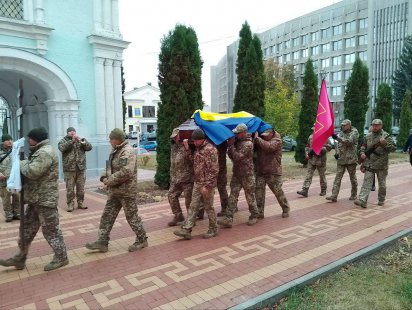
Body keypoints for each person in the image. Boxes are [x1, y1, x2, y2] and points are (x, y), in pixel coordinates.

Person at [0, 127, 69, 271]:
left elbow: (32, 171)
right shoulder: (38, 151)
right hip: (35, 199)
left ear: (36, 138)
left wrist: (20, 162)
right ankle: (20, 257)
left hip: (45, 200)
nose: (28, 140)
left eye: (30, 138)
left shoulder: (45, 152)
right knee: (26, 230)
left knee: (51, 231)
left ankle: (61, 257)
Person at [85, 128, 148, 252]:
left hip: (126, 192)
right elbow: (109, 165)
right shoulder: (115, 150)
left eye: (111, 139)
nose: (109, 141)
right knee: (107, 216)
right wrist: (103, 176)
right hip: (115, 191)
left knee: (132, 217)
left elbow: (126, 172)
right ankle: (102, 242)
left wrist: (109, 180)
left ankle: (142, 239)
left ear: (117, 139)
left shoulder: (127, 151)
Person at [174, 128, 219, 239]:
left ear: (201, 139)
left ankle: (213, 229)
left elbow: (214, 170)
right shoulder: (199, 149)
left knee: (209, 207)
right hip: (197, 183)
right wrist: (188, 149)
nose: (194, 142)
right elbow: (193, 161)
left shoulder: (210, 150)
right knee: (193, 207)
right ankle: (187, 230)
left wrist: (207, 186)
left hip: (207, 185)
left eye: (195, 141)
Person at [218, 123, 259, 228]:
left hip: (247, 175)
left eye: (238, 133)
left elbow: (237, 157)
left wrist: (231, 145)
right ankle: (228, 218)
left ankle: (254, 215)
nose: (236, 134)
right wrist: (231, 146)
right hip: (237, 174)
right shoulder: (238, 142)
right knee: (233, 196)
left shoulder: (248, 144)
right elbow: (231, 155)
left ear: (244, 133)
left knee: (250, 196)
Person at [354, 119, 396, 208]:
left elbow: (393, 148)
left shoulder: (386, 136)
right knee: (366, 182)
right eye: (373, 125)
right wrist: (362, 153)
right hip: (369, 164)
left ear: (381, 126)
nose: (375, 127)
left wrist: (384, 144)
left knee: (382, 184)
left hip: (381, 165)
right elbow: (363, 146)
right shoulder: (368, 136)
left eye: (377, 125)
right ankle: (362, 200)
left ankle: (381, 199)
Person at [254, 128, 290, 218]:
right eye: (264, 135)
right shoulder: (260, 139)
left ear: (272, 133)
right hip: (261, 171)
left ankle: (285, 208)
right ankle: (259, 212)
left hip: (273, 171)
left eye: (267, 135)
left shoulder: (277, 140)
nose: (265, 136)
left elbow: (269, 147)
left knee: (278, 192)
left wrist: (257, 139)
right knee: (259, 193)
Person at [58, 127, 92, 212]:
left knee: (81, 188)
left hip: (80, 168)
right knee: (70, 188)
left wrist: (83, 141)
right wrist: (71, 141)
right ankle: (70, 204)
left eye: (73, 131)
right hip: (69, 169)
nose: (72, 132)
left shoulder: (80, 140)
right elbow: (62, 148)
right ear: (67, 133)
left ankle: (80, 203)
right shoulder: (63, 141)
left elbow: (89, 148)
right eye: (70, 131)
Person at [326, 119, 359, 202]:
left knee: (353, 178)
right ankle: (334, 196)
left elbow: (349, 142)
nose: (343, 126)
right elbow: (337, 144)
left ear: (349, 125)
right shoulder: (341, 133)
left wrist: (337, 138)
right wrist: (337, 152)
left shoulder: (354, 132)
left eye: (344, 125)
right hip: (341, 159)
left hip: (351, 160)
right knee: (338, 178)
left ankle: (354, 194)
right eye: (342, 125)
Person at [167, 128, 194, 226]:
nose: (175, 138)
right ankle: (178, 215)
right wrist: (172, 176)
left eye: (176, 136)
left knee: (189, 200)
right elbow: (173, 164)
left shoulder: (189, 145)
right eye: (173, 137)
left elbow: (193, 160)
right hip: (176, 178)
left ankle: (191, 220)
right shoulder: (174, 147)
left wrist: (187, 148)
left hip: (187, 178)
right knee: (171, 195)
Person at [297, 126, 332, 197]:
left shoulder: (324, 137)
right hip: (311, 159)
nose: (313, 131)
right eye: (313, 130)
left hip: (321, 160)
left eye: (315, 130)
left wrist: (321, 148)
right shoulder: (310, 136)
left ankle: (323, 190)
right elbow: (307, 146)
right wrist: (307, 154)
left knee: (322, 176)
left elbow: (329, 147)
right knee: (308, 175)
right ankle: (305, 190)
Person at [0, 134, 20, 222]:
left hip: (15, 179)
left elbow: (23, 160)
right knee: (6, 198)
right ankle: (9, 215)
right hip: (4, 179)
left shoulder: (16, 150)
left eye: (11, 139)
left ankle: (17, 213)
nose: (10, 141)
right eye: (7, 140)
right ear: (3, 141)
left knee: (17, 196)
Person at [216, 141, 229, 217]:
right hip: (217, 169)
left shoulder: (221, 142)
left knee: (222, 188)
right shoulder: (221, 140)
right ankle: (226, 207)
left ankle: (225, 208)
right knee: (222, 188)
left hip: (221, 169)